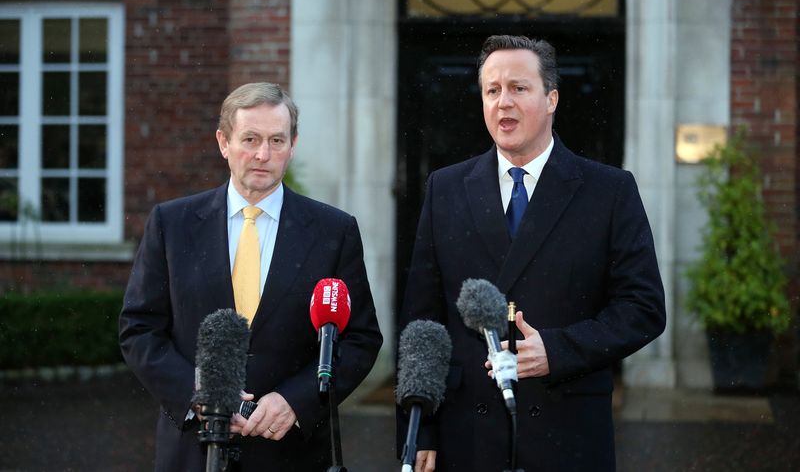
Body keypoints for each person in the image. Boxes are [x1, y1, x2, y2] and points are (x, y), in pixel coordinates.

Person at [398, 35, 666, 472]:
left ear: (552, 98)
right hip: (466, 435)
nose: (504, 102)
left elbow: (644, 309)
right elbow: (422, 323)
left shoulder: (609, 191)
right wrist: (417, 429)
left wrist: (557, 351)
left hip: (567, 431)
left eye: (519, 88)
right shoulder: (445, 188)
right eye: (492, 90)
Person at [120, 82, 383, 471]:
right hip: (192, 451)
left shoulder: (333, 231)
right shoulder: (171, 224)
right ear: (223, 142)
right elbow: (139, 329)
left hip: (291, 452)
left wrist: (297, 400)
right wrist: (197, 394)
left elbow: (359, 339)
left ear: (293, 145)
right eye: (250, 139)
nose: (263, 154)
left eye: (277, 140)